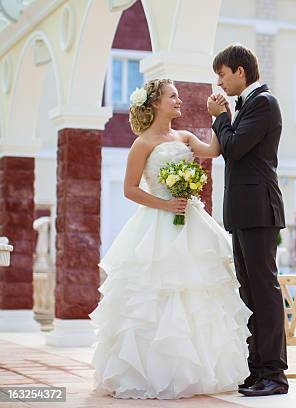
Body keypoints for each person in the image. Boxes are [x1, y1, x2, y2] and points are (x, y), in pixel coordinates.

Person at [89, 78, 252, 399]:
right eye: (172, 96)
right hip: (157, 223)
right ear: (155, 103)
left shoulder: (185, 135)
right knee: (156, 296)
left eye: (177, 96)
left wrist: (220, 116)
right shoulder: (142, 143)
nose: (178, 101)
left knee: (197, 294)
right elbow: (130, 189)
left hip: (191, 221)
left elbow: (214, 151)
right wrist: (165, 203)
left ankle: (195, 372)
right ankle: (153, 373)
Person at [197, 44, 288, 397]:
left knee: (264, 291)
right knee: (249, 292)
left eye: (221, 74)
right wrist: (226, 118)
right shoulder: (247, 106)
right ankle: (256, 370)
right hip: (242, 211)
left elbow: (233, 149)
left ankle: (274, 375)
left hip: (260, 210)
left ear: (239, 71)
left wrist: (219, 118)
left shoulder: (264, 103)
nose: (219, 82)